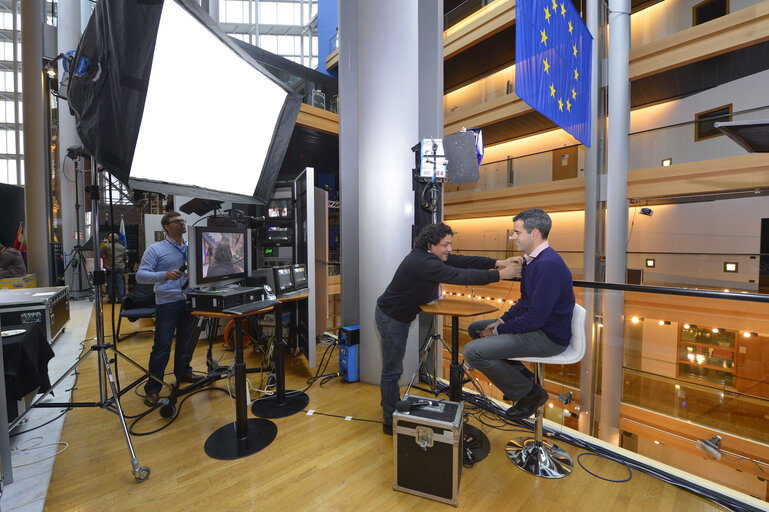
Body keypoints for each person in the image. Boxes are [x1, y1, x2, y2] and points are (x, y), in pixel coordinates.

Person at [375, 222, 521, 435]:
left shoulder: (429, 255)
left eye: (450, 244)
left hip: (399, 316)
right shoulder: (423, 262)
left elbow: (463, 261)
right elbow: (460, 276)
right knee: (392, 369)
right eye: (446, 245)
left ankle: (391, 408)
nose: (450, 249)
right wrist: (500, 274)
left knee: (393, 367)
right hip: (391, 318)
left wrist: (498, 262)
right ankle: (390, 420)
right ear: (431, 244)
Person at [463, 208, 574, 421]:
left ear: (533, 234)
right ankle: (524, 378)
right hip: (539, 327)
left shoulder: (547, 265)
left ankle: (530, 394)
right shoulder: (533, 260)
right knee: (475, 328)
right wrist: (501, 321)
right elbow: (525, 303)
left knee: (472, 352)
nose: (512, 237)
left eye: (517, 232)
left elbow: (535, 319)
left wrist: (497, 331)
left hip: (548, 337)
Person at [136, 211, 203, 406]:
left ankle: (184, 374)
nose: (182, 224)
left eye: (183, 221)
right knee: (162, 346)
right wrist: (164, 275)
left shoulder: (191, 248)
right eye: (177, 221)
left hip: (189, 300)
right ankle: (153, 388)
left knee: (186, 342)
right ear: (166, 226)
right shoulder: (155, 249)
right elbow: (141, 276)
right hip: (167, 302)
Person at [101, 233, 126, 303]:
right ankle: (121, 299)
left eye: (108, 237)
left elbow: (100, 254)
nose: (108, 238)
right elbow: (125, 258)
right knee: (120, 283)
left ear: (111, 239)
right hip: (120, 268)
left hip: (110, 268)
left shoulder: (106, 246)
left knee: (110, 284)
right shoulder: (122, 247)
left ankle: (112, 299)